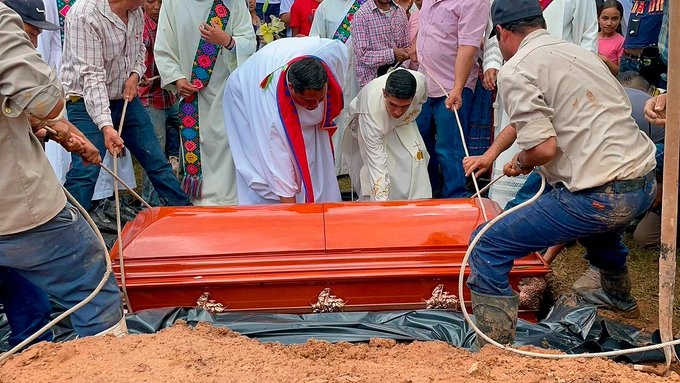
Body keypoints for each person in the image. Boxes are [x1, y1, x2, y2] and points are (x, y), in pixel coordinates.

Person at [467, 0, 656, 348]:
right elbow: (537, 118)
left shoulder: (516, 68)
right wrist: (496, 154)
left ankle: (494, 344)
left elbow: (542, 150)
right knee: (602, 232)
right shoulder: (579, 53)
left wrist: (521, 162)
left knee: (486, 243)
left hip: (601, 195)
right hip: (643, 183)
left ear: (503, 32)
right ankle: (618, 296)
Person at [0, 3, 126, 338]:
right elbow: (45, 98)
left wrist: (55, 129)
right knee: (91, 280)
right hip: (11, 208)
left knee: (21, 287)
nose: (37, 38)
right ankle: (110, 367)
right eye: (33, 32)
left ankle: (31, 356)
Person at [61, 0, 190, 211]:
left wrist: (135, 74)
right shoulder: (84, 14)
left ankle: (187, 216)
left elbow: (139, 50)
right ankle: (69, 232)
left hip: (124, 99)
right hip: (84, 101)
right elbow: (91, 77)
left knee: (156, 161)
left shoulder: (136, 11)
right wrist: (106, 126)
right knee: (86, 170)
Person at [482, 0, 598, 209]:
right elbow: (495, 30)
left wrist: (519, 163)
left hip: (561, 83)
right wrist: (493, 62)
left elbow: (588, 34)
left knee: (550, 148)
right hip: (531, 80)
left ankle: (524, 216)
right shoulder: (514, 68)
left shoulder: (518, 70)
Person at [223, 37, 347, 204]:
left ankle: (319, 203)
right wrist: (292, 215)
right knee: (263, 169)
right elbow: (278, 166)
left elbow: (340, 52)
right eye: (309, 101)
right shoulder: (271, 114)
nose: (315, 105)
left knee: (316, 152)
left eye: (320, 98)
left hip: (280, 67)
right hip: (245, 93)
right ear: (291, 88)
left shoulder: (329, 52)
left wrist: (314, 101)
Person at [154, 0, 256, 206]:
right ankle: (201, 202)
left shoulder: (232, 3)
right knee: (199, 143)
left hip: (227, 92)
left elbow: (250, 42)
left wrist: (227, 40)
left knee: (227, 144)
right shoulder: (173, 3)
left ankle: (231, 200)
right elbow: (164, 46)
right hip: (191, 93)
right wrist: (176, 78)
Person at [414, 0, 489, 198]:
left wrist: (458, 88)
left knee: (450, 149)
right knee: (419, 143)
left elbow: (468, 46)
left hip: (451, 87)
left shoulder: (474, 2)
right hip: (423, 83)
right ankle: (427, 193)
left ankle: (455, 199)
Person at [344, 69, 431, 201]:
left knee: (417, 156)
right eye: (393, 104)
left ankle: (417, 203)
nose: (397, 112)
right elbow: (377, 163)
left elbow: (419, 103)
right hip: (375, 126)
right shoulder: (370, 113)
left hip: (404, 124)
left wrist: (403, 115)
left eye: (404, 106)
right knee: (386, 168)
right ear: (384, 93)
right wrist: (382, 204)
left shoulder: (420, 82)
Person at [309, 0, 364, 176]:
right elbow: (315, 41)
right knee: (334, 118)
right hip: (332, 73)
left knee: (356, 118)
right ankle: (332, 169)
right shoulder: (326, 6)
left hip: (360, 73)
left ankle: (354, 171)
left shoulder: (368, 4)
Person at [138, 0, 181, 206]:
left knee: (185, 139)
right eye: (150, 1)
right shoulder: (140, 27)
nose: (156, 6)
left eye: (161, 1)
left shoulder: (170, 22)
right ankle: (150, 205)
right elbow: (137, 60)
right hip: (150, 97)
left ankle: (177, 193)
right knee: (154, 153)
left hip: (171, 95)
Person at [351, 0, 410, 90]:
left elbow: (407, 46)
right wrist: (393, 54)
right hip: (372, 84)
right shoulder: (361, 16)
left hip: (398, 81)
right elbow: (363, 55)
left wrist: (402, 68)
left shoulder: (400, 12)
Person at [597, 0, 625, 76]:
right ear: (598, 19)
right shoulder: (591, 37)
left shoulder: (621, 42)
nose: (609, 23)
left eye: (614, 19)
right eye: (605, 18)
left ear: (620, 20)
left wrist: (605, 60)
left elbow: (620, 73)